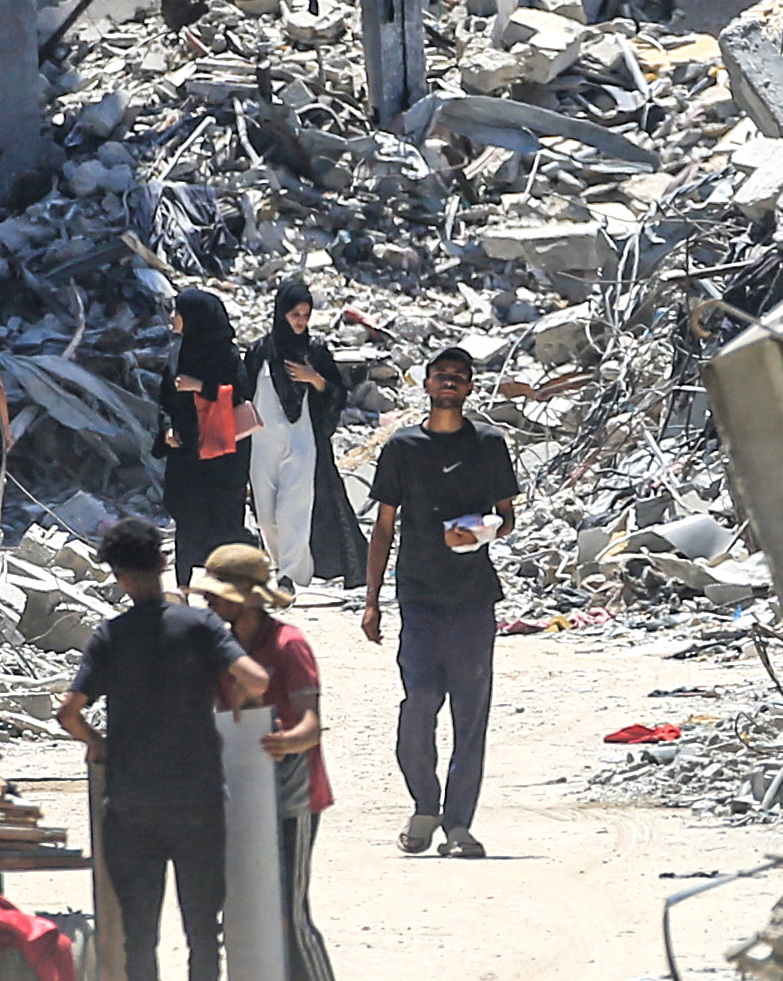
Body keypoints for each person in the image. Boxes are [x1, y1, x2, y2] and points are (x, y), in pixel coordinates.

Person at [64, 516, 264, 981]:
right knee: (204, 933)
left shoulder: (110, 637)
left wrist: (98, 742)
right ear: (161, 563)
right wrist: (237, 714)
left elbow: (69, 713)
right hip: (199, 800)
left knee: (139, 938)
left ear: (120, 577)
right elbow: (256, 679)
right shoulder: (199, 627)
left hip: (130, 805)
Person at [193, 543, 365, 981]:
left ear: (244, 602)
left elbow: (312, 724)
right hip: (238, 793)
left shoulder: (289, 644)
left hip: (291, 797)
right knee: (240, 919)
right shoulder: (218, 648)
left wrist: (285, 742)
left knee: (289, 920)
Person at [358, 347, 521, 859]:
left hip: (473, 598)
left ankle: (458, 825)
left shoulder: (489, 444)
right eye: (441, 376)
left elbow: (506, 516)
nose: (449, 382)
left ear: (470, 388)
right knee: (420, 705)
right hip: (420, 596)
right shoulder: (403, 447)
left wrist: (479, 531)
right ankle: (424, 804)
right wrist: (371, 601)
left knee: (471, 715)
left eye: (459, 377)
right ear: (426, 385)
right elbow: (383, 527)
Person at [240, 286, 353, 596]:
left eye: (305, 316)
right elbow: (242, 393)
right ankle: (278, 565)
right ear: (281, 314)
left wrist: (314, 379)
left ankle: (290, 576)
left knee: (293, 510)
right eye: (294, 315)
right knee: (265, 514)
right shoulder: (260, 351)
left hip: (302, 442)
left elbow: (338, 394)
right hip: (262, 444)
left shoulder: (315, 351)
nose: (301, 322)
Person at [159, 287, 254, 573]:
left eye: (178, 312)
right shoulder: (178, 350)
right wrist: (166, 429)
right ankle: (185, 588)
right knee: (187, 522)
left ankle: (226, 588)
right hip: (187, 452)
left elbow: (240, 393)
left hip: (223, 457)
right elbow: (164, 398)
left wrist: (200, 387)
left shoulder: (226, 354)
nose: (173, 317)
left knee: (223, 523)